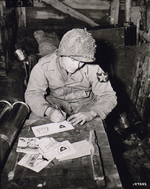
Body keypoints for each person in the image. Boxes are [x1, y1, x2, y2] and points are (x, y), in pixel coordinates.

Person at [25, 28, 117, 126]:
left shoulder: (94, 68)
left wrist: (92, 113)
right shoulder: (43, 66)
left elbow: (108, 95)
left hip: (86, 104)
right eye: (73, 60)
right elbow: (33, 93)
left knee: (94, 130)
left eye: (82, 62)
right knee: (35, 123)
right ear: (60, 54)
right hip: (56, 103)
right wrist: (48, 111)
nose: (77, 65)